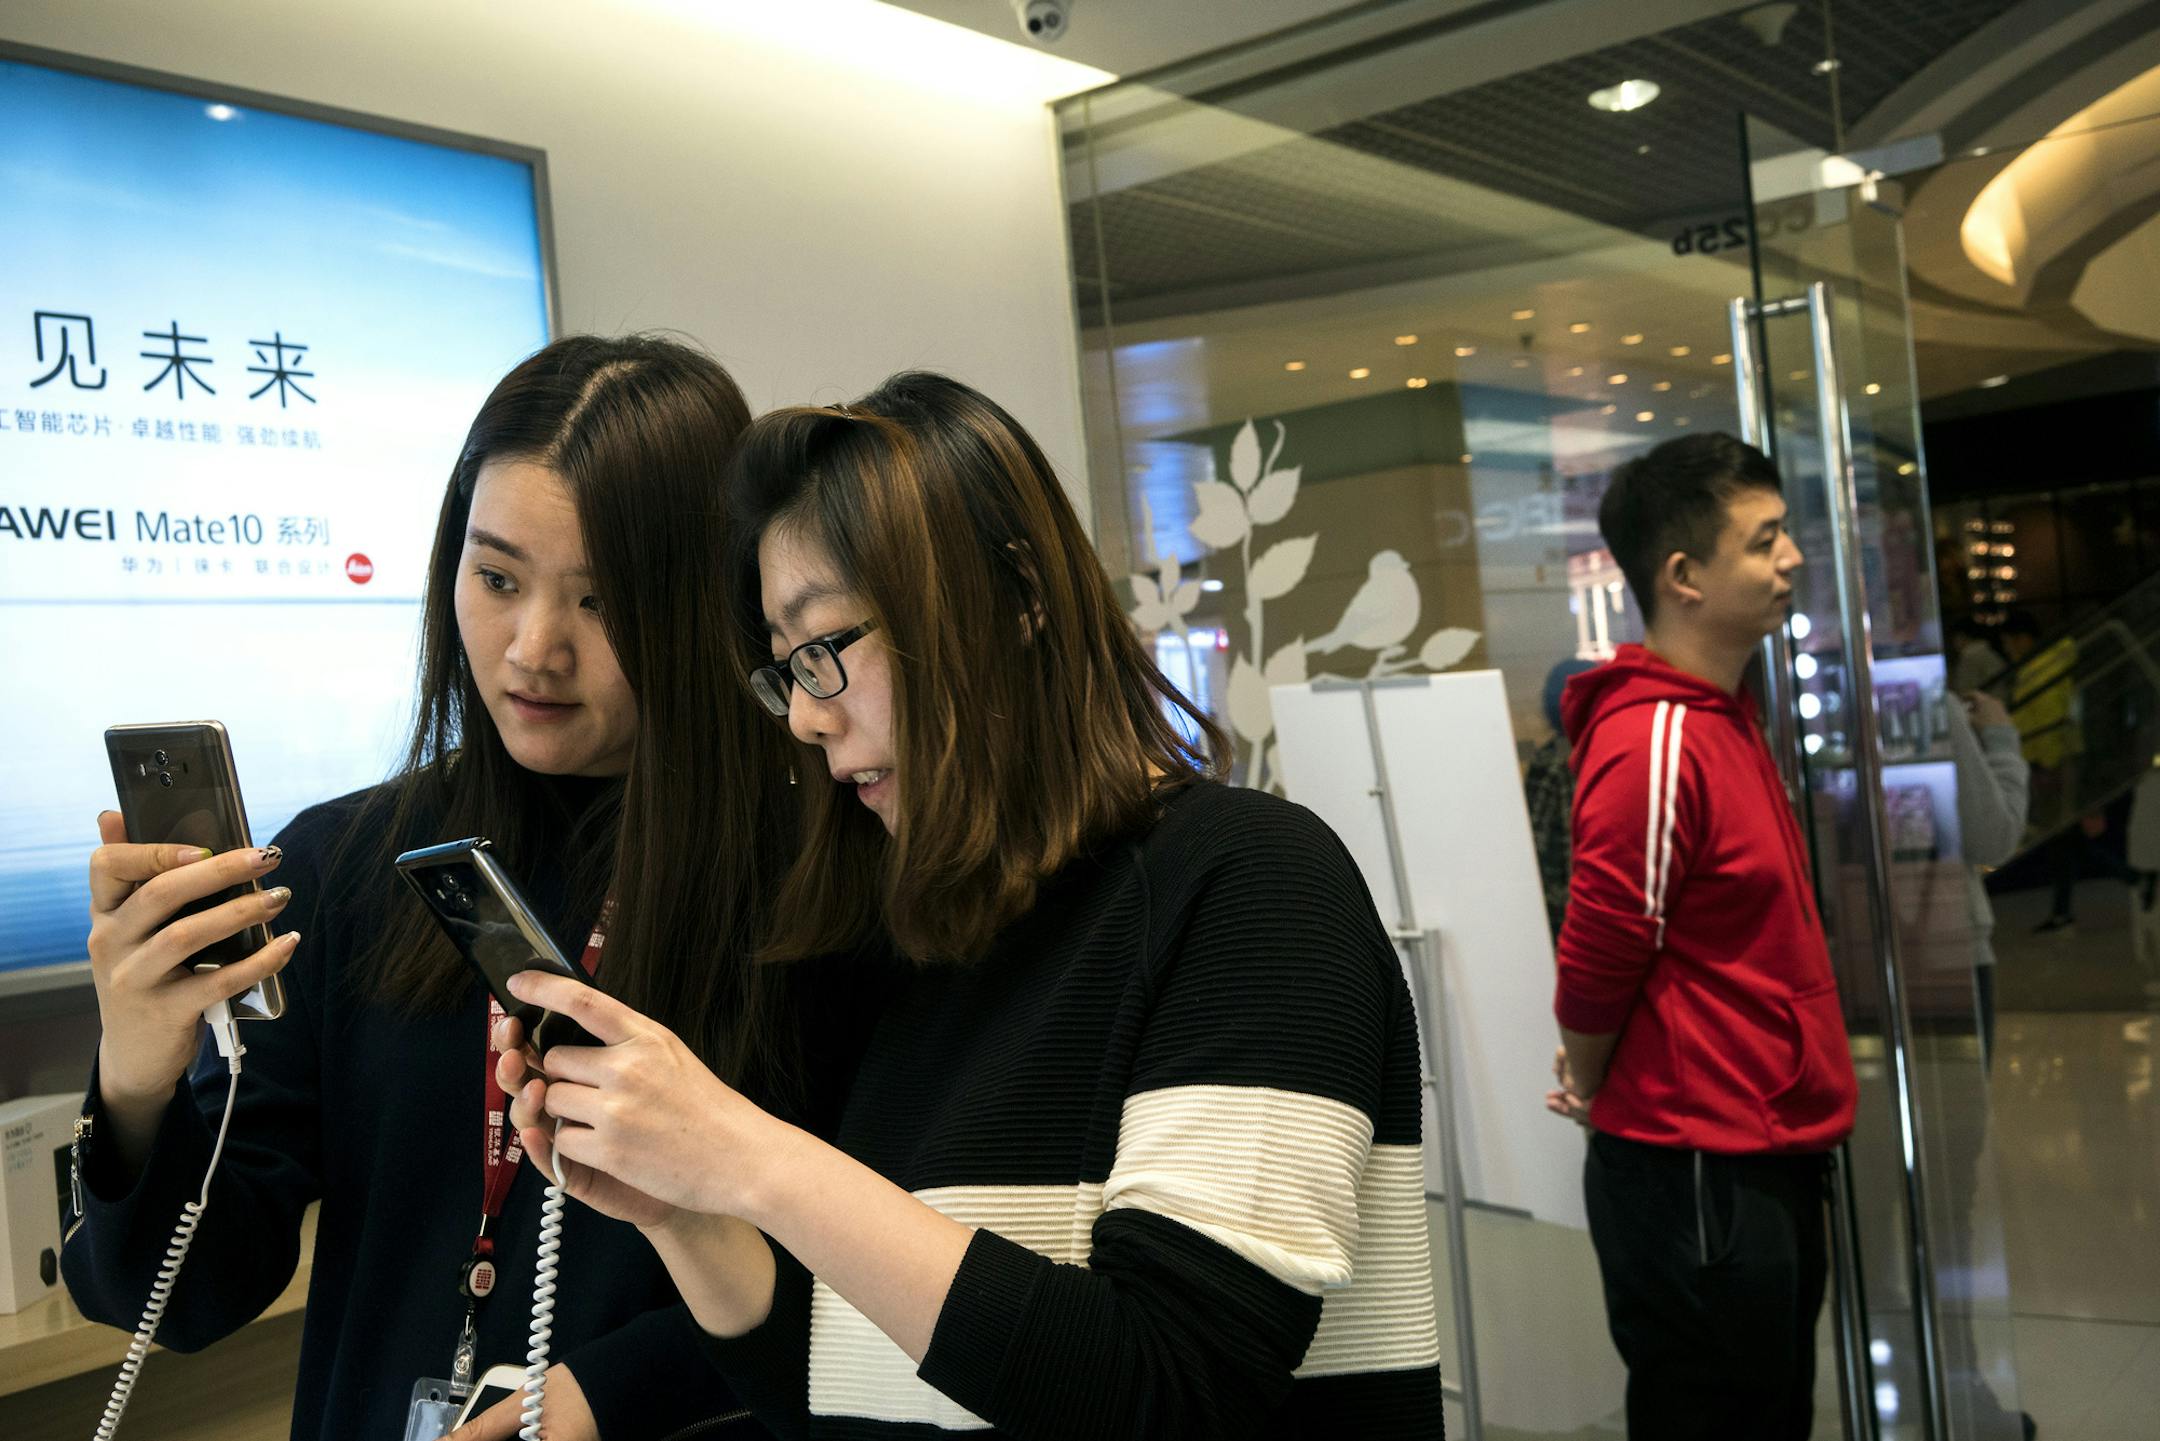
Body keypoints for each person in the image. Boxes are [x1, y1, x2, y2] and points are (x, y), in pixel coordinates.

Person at [486, 373, 1447, 1438]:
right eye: (785, 670)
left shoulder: (1251, 882)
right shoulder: (918, 940)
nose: (804, 717)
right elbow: (833, 1385)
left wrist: (752, 1157)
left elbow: (1176, 1386)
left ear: (1016, 596)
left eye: (824, 649)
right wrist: (684, 1214)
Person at [65, 335, 793, 1441]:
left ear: (705, 604)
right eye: (496, 578)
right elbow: (187, 1294)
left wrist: (610, 1395)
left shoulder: (810, 882)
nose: (534, 649)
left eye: (600, 601)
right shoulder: (346, 864)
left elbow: (859, 1274)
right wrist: (133, 1077)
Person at [1545, 432, 1857, 1439]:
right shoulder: (1655, 736)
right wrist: (1592, 1077)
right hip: (1696, 1164)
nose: (1791, 558)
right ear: (1683, 575)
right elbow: (1601, 947)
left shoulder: (1722, 716)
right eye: (1764, 540)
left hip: (1757, 1145)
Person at [1524, 656, 1600, 942]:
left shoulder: (1556, 759)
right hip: (1570, 911)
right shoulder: (1560, 762)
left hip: (1572, 909)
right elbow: (1538, 846)